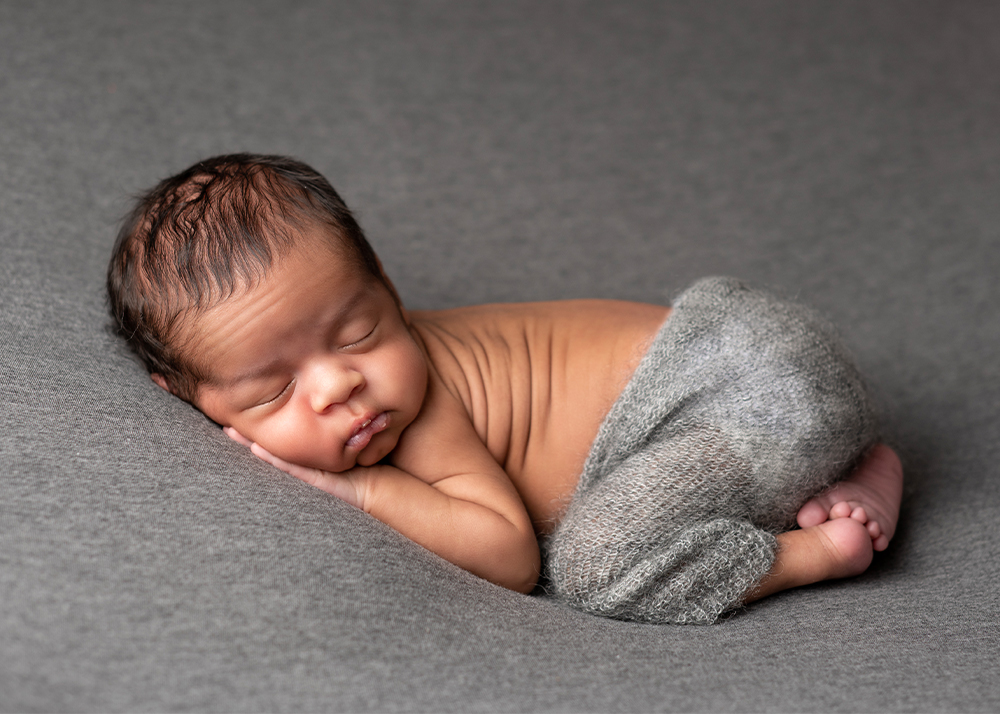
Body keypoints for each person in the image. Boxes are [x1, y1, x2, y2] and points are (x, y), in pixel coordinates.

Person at [107, 153, 903, 624]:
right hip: (757, 370)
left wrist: (370, 493)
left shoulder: (415, 414)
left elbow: (510, 554)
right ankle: (858, 467)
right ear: (185, 396)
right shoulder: (356, 382)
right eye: (273, 390)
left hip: (746, 382)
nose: (339, 385)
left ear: (384, 283)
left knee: (596, 566)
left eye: (357, 333)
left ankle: (818, 552)